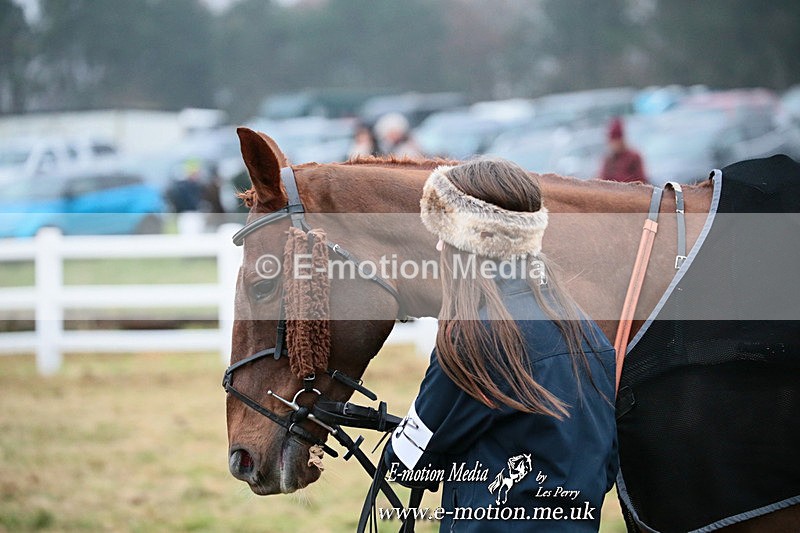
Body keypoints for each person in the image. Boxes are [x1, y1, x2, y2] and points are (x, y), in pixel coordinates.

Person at [382, 159, 618, 532]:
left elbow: (406, 463)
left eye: (444, 234)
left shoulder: (474, 341)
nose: (438, 244)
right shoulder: (589, 333)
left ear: (467, 245)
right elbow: (605, 466)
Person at [599, 117, 647, 183]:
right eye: (613, 141)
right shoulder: (608, 160)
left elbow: (641, 180)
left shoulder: (634, 157)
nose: (615, 144)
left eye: (617, 140)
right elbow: (602, 180)